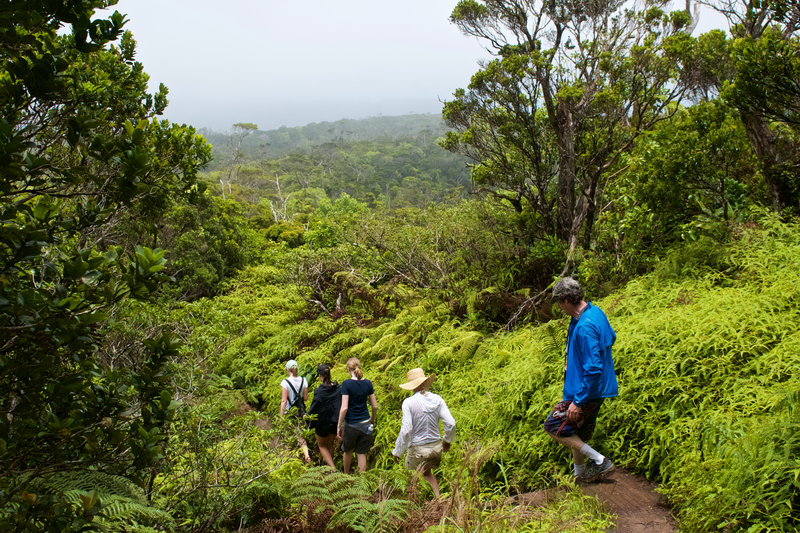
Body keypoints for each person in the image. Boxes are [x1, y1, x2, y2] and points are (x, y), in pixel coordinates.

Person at [544, 277, 618, 483]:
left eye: (559, 302)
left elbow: (593, 368)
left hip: (585, 390)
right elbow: (611, 337)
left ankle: (600, 460)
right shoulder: (595, 313)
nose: (560, 307)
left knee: (553, 427)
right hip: (597, 387)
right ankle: (580, 476)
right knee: (577, 432)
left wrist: (578, 401)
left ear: (567, 299)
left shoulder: (584, 327)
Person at [392, 368, 455, 499]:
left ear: (411, 386)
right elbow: (451, 423)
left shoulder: (408, 403)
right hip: (436, 449)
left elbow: (406, 430)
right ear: (425, 382)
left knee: (412, 478)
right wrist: (447, 441)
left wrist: (397, 451)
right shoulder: (437, 399)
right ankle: (438, 500)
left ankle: (416, 507)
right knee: (426, 473)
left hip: (417, 450)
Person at [337, 357, 378, 473]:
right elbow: (375, 406)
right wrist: (372, 419)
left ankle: (345, 476)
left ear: (348, 369)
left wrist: (339, 425)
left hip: (351, 424)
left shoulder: (346, 384)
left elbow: (344, 407)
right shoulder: (368, 383)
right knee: (361, 453)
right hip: (365, 423)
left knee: (348, 451)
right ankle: (362, 482)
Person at [306, 363, 341, 468]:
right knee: (330, 446)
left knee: (322, 446)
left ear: (320, 376)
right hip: (334, 422)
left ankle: (332, 468)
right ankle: (329, 471)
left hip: (322, 423)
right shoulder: (338, 388)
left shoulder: (319, 391)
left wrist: (307, 419)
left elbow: (314, 407)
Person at [279, 359, 311, 463]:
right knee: (299, 433)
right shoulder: (304, 380)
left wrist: (281, 416)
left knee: (292, 435)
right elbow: (306, 398)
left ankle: (294, 457)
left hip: (290, 412)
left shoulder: (285, 382)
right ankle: (304, 455)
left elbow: (284, 401)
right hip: (302, 411)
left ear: (288, 370)